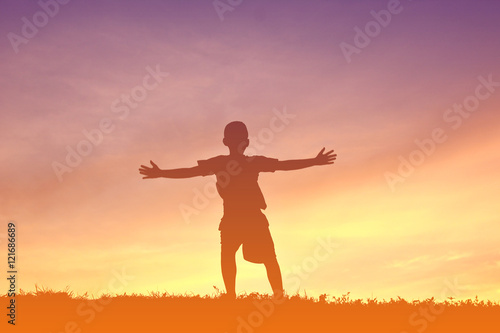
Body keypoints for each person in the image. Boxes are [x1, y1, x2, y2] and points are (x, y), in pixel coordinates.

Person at [139, 121, 336, 299]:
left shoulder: (226, 162)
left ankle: (240, 297)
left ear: (226, 141)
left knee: (237, 256)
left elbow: (191, 172)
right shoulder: (246, 162)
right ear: (246, 142)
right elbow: (284, 166)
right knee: (261, 258)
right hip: (245, 219)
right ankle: (272, 297)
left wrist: (161, 173)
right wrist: (314, 161)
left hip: (242, 219)